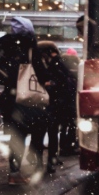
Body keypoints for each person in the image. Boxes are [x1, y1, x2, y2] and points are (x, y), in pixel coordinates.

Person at [0, 16, 50, 185]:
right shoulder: (31, 50)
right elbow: (42, 75)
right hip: (31, 101)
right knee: (37, 133)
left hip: (12, 102)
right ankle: (37, 165)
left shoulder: (5, 51)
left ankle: (14, 172)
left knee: (16, 138)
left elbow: (0, 75)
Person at [35, 41, 75, 172]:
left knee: (46, 134)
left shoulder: (55, 63)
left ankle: (45, 162)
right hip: (49, 104)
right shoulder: (46, 63)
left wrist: (51, 84)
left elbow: (64, 81)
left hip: (50, 104)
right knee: (46, 134)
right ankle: (45, 162)